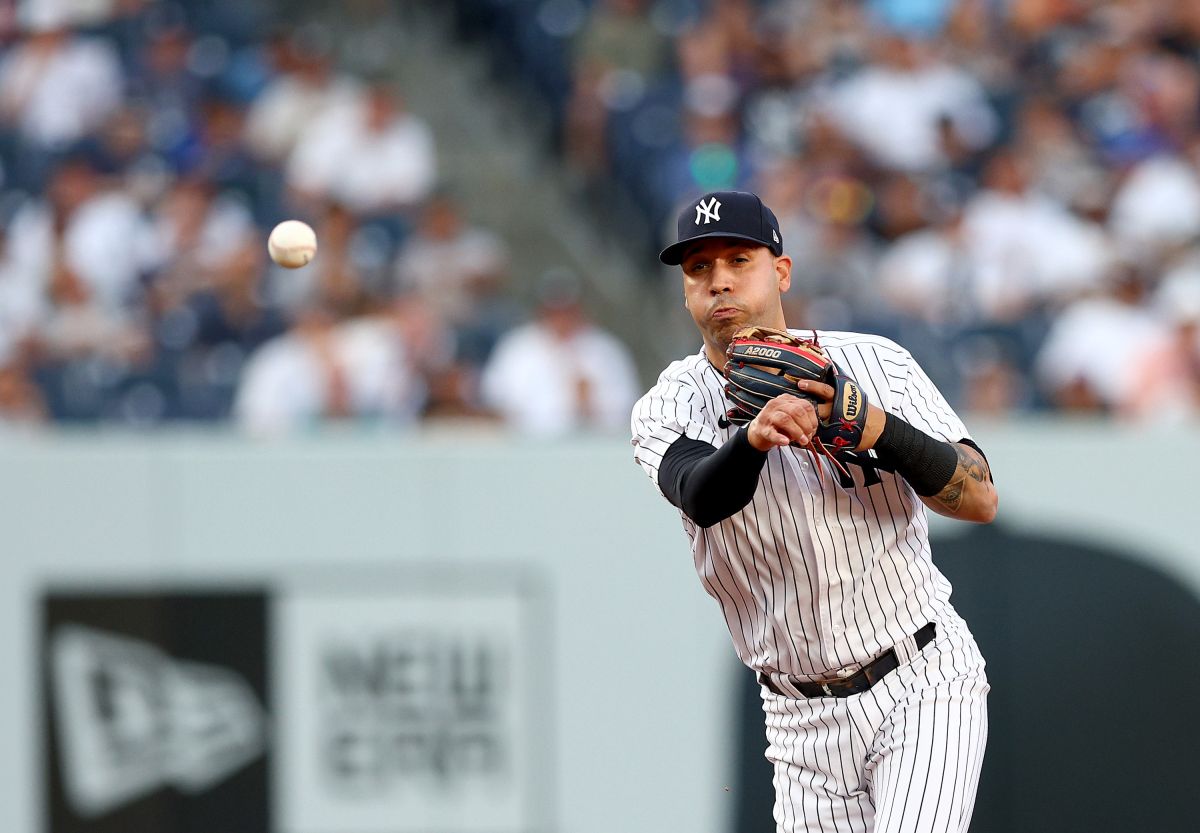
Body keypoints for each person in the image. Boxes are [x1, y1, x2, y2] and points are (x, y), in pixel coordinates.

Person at [631, 190, 998, 833]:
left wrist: (872, 425)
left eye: (738, 260)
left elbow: (977, 497)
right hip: (797, 722)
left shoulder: (874, 362)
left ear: (781, 271)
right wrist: (751, 437)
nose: (719, 282)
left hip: (919, 677)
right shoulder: (669, 404)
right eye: (698, 269)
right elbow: (700, 495)